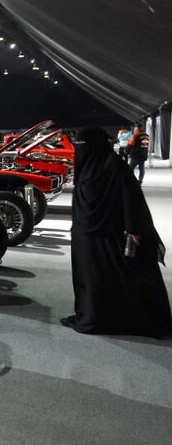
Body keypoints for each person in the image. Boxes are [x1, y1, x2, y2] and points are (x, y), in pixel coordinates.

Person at [63, 126, 171, 337]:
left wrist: (134, 229)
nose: (79, 149)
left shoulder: (116, 167)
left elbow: (132, 199)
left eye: (83, 145)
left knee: (110, 277)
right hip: (85, 236)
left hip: (109, 235)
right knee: (90, 277)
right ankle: (92, 314)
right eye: (78, 145)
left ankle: (110, 318)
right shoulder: (86, 168)